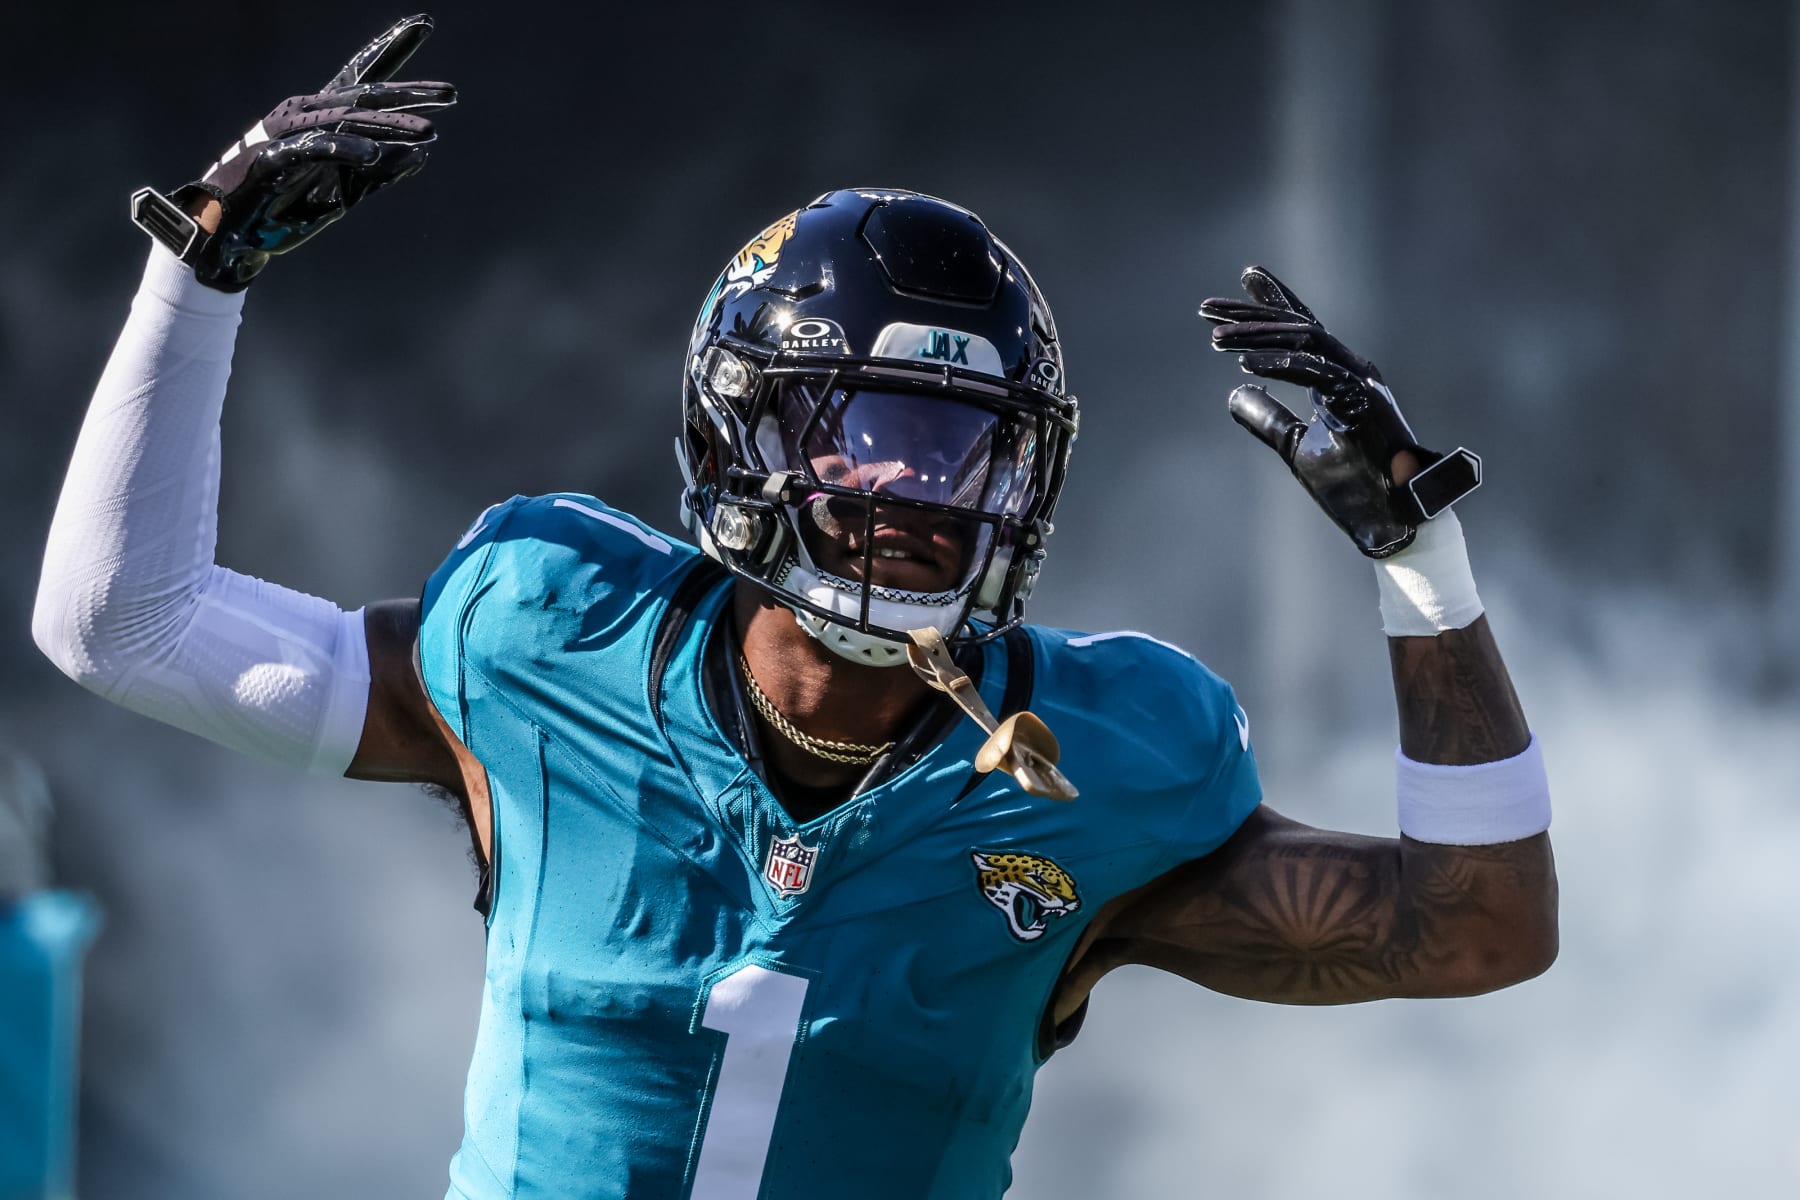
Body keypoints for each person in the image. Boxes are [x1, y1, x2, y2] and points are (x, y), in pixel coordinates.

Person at [32, 14, 1558, 1200]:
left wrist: (1420, 568)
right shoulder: (544, 639)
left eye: (964, 443)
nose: (918, 490)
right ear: (736, 430)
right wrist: (203, 274)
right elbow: (123, 624)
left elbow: (1480, 930)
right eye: (865, 430)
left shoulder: (1103, 768)